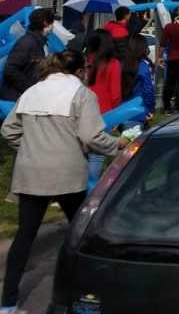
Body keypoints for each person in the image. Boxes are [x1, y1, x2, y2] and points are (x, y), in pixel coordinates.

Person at [0, 51, 126, 314]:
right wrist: (118, 146)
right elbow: (91, 137)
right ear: (80, 71)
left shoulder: (32, 92)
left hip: (31, 170)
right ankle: (88, 291)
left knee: (24, 236)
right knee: (82, 234)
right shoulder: (81, 94)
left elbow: (8, 130)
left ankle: (8, 302)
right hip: (67, 172)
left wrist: (29, 148)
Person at [84, 30, 122, 193]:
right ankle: (91, 189)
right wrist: (117, 116)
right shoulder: (113, 63)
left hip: (82, 111)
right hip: (105, 113)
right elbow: (115, 93)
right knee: (97, 154)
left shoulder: (86, 61)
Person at [1, 9, 53, 101]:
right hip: (18, 98)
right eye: (52, 22)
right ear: (45, 23)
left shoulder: (39, 42)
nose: (53, 26)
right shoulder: (27, 43)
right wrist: (30, 88)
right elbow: (10, 70)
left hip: (27, 96)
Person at [120, 34, 156, 129]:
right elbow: (148, 90)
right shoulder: (144, 66)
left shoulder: (120, 64)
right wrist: (150, 109)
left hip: (121, 112)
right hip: (139, 111)